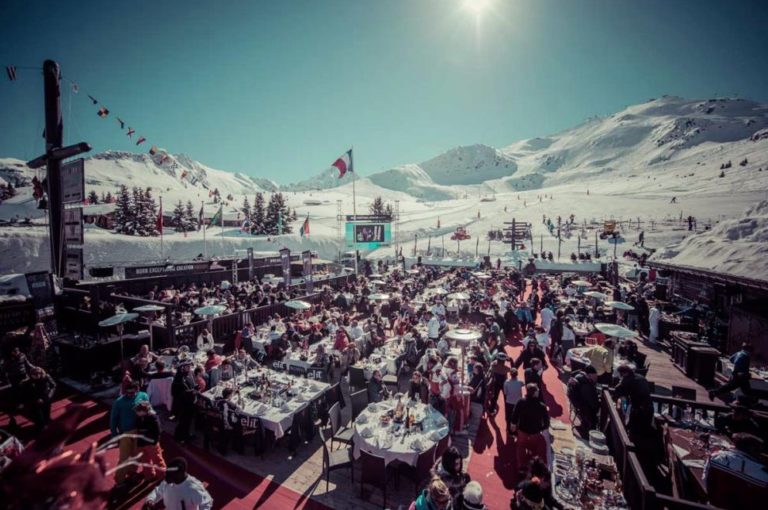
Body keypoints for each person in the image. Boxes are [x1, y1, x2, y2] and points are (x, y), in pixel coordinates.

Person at [703, 433, 768, 509]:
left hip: (714, 506)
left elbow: (705, 481)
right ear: (753, 450)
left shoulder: (715, 457)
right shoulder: (764, 475)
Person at [110, 381, 149, 484]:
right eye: (127, 392)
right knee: (124, 457)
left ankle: (132, 472)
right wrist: (115, 436)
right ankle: (119, 480)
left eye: (132, 392)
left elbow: (149, 411)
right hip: (125, 434)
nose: (129, 395)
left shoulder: (144, 396)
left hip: (139, 432)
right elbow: (113, 420)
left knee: (137, 455)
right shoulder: (118, 402)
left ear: (137, 390)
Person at [143, 457, 213, 510]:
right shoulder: (168, 481)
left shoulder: (194, 487)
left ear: (179, 474)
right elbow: (158, 491)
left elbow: (207, 503)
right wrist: (150, 500)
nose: (166, 478)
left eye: (170, 475)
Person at [510, 384, 550, 472]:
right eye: (537, 391)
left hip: (522, 430)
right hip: (535, 432)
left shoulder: (521, 402)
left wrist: (513, 424)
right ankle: (533, 466)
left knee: (521, 447)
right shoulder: (541, 406)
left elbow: (515, 414)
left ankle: (521, 466)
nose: (539, 392)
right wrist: (543, 428)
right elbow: (546, 422)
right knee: (535, 448)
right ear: (534, 393)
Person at [614, 364, 653, 437]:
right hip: (649, 407)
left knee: (634, 431)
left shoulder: (627, 379)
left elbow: (617, 390)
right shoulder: (641, 377)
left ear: (625, 373)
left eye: (621, 375)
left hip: (638, 410)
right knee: (644, 432)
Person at [134, 401, 165, 481]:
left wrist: (154, 442)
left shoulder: (152, 418)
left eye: (138, 411)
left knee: (157, 461)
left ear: (144, 411)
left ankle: (163, 477)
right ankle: (149, 476)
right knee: (145, 461)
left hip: (151, 444)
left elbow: (157, 431)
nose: (136, 412)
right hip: (142, 444)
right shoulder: (139, 418)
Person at [567, 366, 600, 435]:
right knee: (594, 414)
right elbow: (592, 402)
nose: (596, 378)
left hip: (577, 402)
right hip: (581, 405)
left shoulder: (579, 376)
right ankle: (588, 431)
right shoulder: (585, 384)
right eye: (595, 376)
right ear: (590, 375)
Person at [22, 366, 56, 432]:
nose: (37, 375)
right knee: (38, 415)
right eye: (35, 374)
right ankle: (40, 426)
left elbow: (53, 385)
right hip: (36, 400)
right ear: (31, 374)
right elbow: (27, 393)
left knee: (46, 412)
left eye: (39, 373)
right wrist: (35, 400)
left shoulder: (46, 377)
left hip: (46, 397)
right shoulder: (28, 382)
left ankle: (46, 422)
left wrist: (49, 396)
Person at [172, 361, 198, 444]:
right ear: (182, 367)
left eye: (190, 366)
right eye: (187, 366)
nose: (189, 367)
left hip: (190, 401)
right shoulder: (179, 378)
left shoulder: (189, 374)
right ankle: (180, 437)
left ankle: (186, 435)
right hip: (183, 404)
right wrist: (191, 392)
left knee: (188, 421)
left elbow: (191, 384)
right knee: (183, 421)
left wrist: (195, 387)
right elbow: (177, 392)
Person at [503, 368, 524, 435]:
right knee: (517, 416)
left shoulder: (506, 382)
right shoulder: (520, 382)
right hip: (518, 402)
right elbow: (523, 383)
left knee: (509, 416)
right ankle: (516, 431)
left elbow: (505, 393)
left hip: (509, 401)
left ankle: (509, 430)